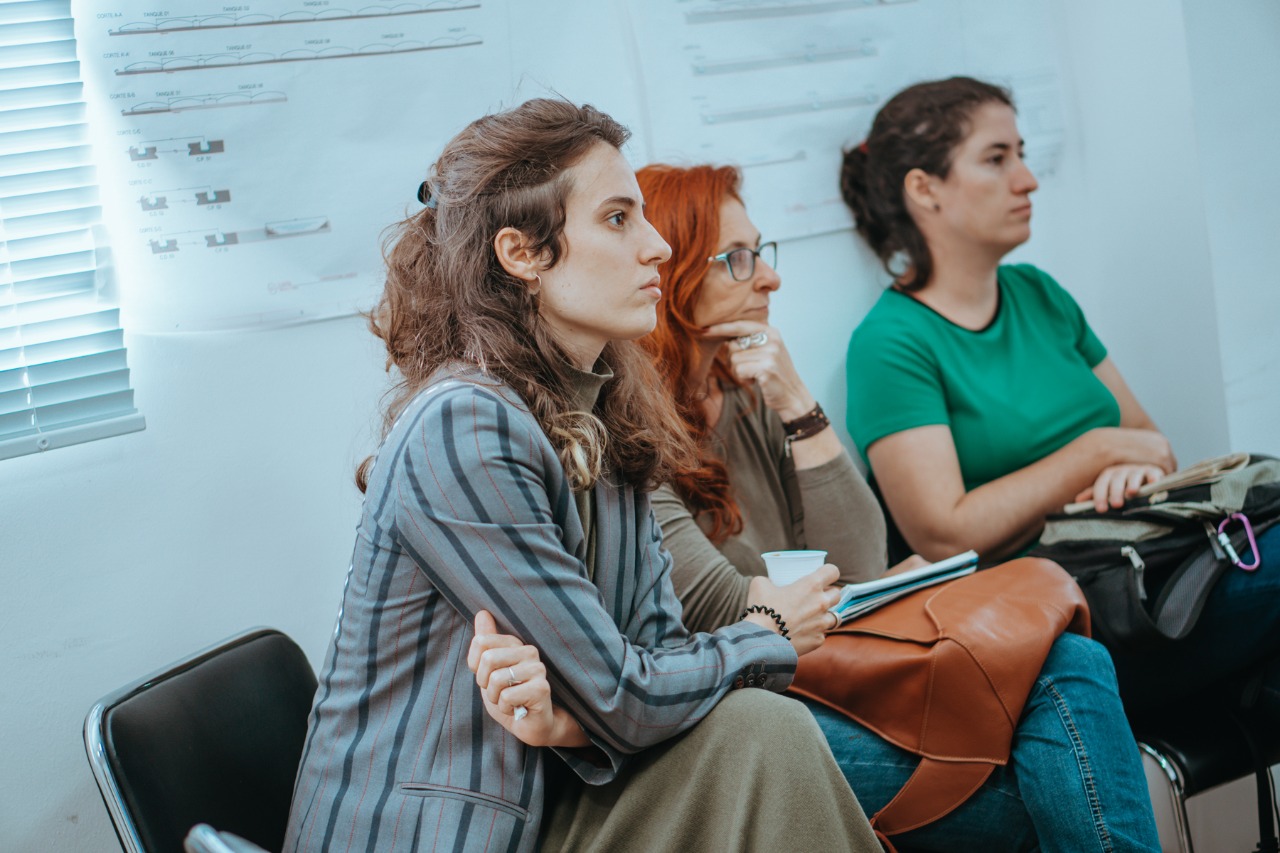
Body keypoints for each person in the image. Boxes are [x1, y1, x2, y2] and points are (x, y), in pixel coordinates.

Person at [282, 99, 880, 853]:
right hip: (443, 831)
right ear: (521, 254)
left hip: (555, 787)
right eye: (618, 219)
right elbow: (626, 694)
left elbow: (653, 660)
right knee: (765, 732)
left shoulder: (604, 411)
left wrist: (576, 719)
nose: (658, 247)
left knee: (761, 729)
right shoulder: (462, 425)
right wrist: (769, 632)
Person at [634, 161, 1162, 852]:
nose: (769, 278)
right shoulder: (631, 435)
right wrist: (847, 590)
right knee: (1052, 774)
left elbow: (856, 560)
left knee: (1066, 659)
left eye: (761, 252)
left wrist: (800, 407)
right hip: (751, 707)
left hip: (826, 663)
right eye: (737, 258)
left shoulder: (744, 395)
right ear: (668, 274)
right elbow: (733, 610)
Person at [840, 76, 1280, 722]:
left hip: (1149, 560)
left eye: (1020, 154)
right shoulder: (890, 342)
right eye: (997, 158)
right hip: (1056, 619)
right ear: (924, 189)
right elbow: (943, 532)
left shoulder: (1039, 294)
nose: (1028, 180)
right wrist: (1096, 454)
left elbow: (1154, 445)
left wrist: (1133, 466)